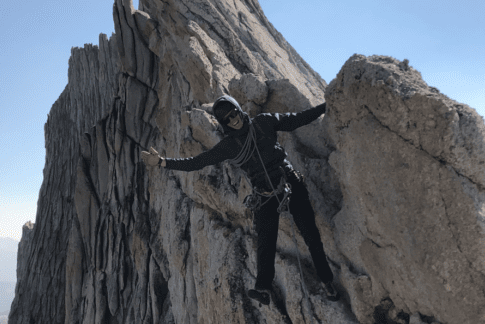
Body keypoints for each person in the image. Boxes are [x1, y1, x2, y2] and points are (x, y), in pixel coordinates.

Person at [141, 95, 338, 306]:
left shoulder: (264, 122)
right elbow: (197, 162)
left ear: (238, 109)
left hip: (288, 182)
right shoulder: (228, 146)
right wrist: (162, 162)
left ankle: (327, 280)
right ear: (224, 124)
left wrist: (326, 106)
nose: (233, 120)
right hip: (264, 193)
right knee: (265, 242)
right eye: (227, 119)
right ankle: (262, 288)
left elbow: (296, 119)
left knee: (311, 235)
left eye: (234, 114)